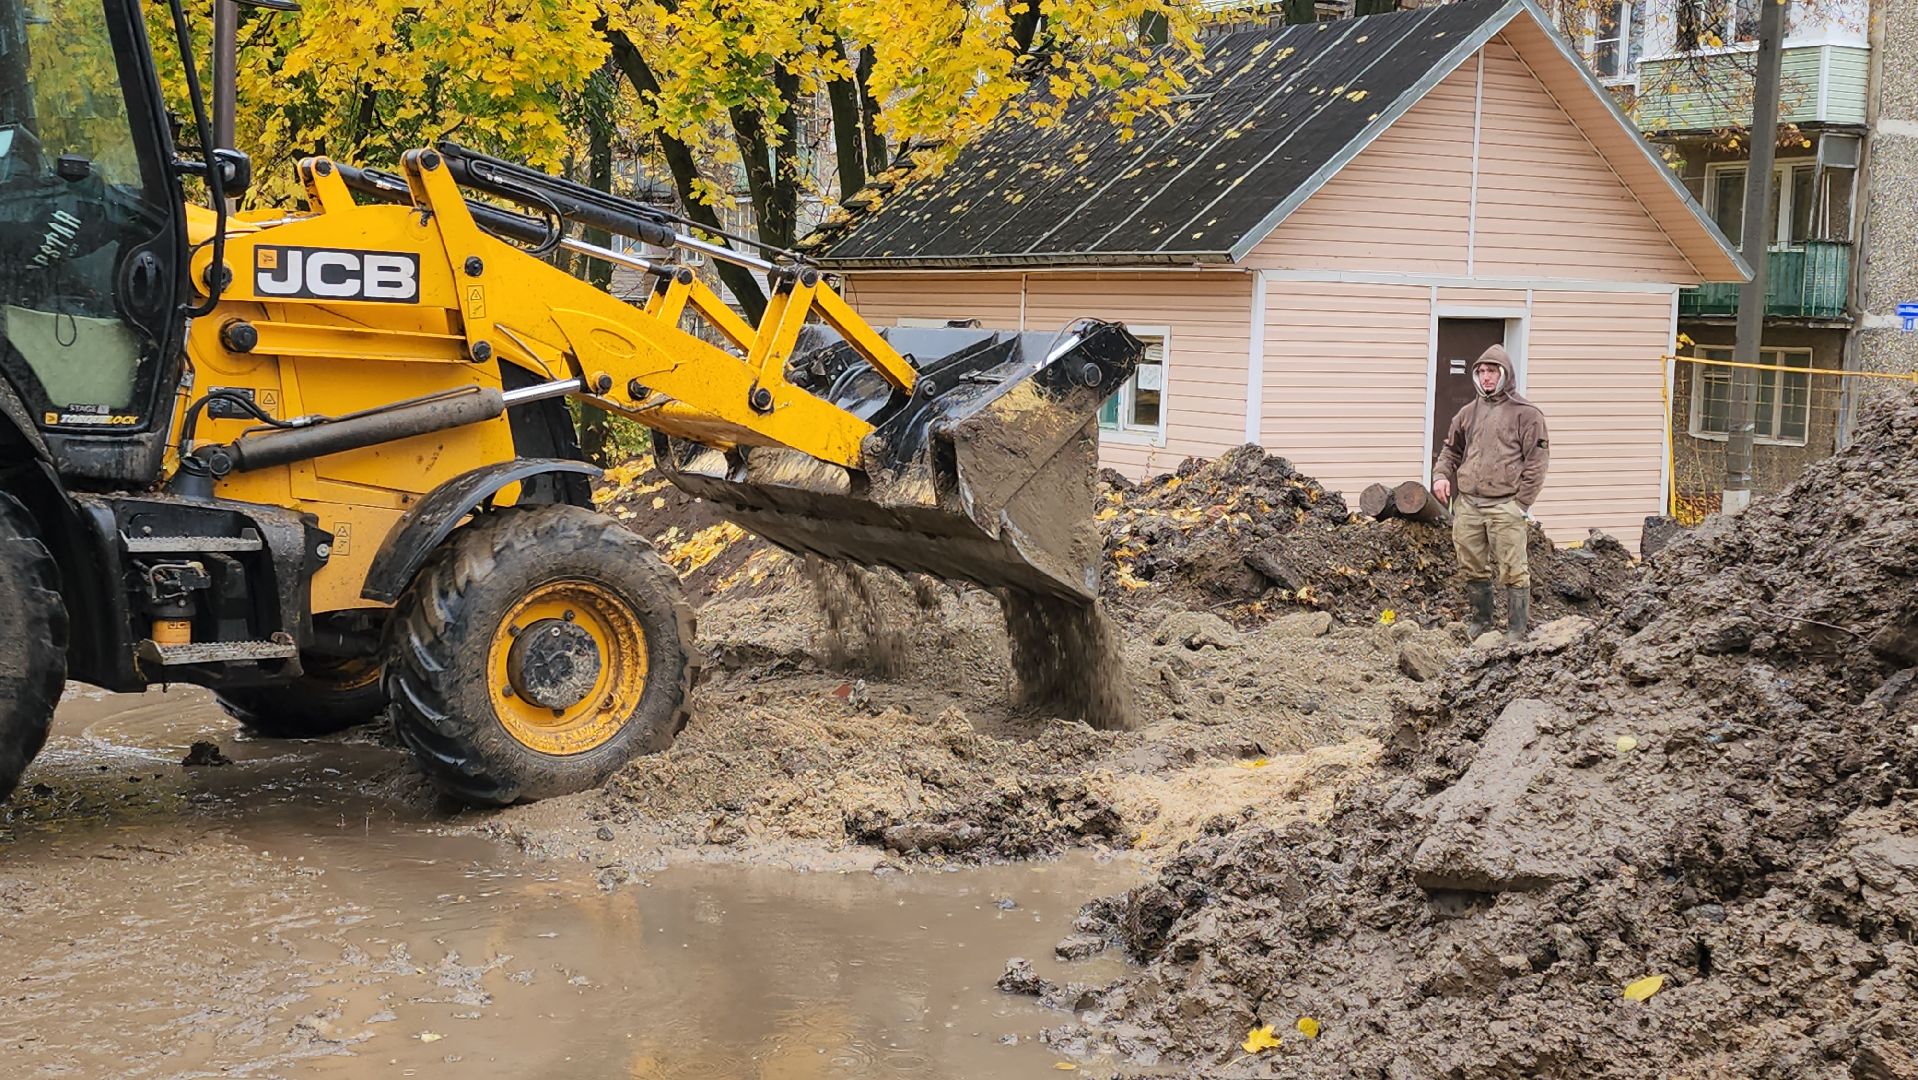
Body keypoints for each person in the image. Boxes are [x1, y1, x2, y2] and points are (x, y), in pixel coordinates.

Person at [1432, 344, 1549, 642]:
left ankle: (1516, 630)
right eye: (1481, 371)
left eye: (1492, 371)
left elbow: (1537, 462)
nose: (1486, 377)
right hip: (1469, 505)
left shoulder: (1527, 414)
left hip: (1505, 505)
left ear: (1505, 374)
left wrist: (1521, 504)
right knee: (1471, 565)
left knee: (1513, 568)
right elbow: (1451, 450)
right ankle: (1481, 621)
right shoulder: (1467, 413)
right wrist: (1441, 476)